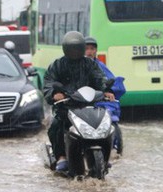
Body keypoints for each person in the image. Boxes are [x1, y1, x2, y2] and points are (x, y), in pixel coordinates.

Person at [44, 31, 115, 172]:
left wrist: (106, 90)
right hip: (66, 107)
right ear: (66, 48)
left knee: (107, 124)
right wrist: (55, 93)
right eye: (72, 48)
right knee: (56, 126)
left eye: (78, 48)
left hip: (88, 106)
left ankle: (106, 158)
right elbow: (49, 82)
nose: (75, 51)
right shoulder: (58, 65)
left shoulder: (90, 64)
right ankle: (61, 157)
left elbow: (99, 78)